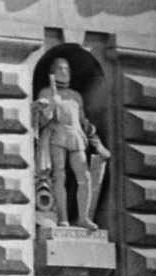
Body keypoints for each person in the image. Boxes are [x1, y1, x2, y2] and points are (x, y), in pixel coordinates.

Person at [35, 57, 110, 230]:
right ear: (53, 72)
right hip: (57, 135)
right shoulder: (46, 92)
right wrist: (51, 105)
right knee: (59, 176)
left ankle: (84, 217)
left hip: (76, 136)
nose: (65, 72)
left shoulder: (76, 95)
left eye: (67, 69)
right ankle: (63, 218)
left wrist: (97, 143)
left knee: (84, 177)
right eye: (61, 69)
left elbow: (83, 121)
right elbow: (41, 121)